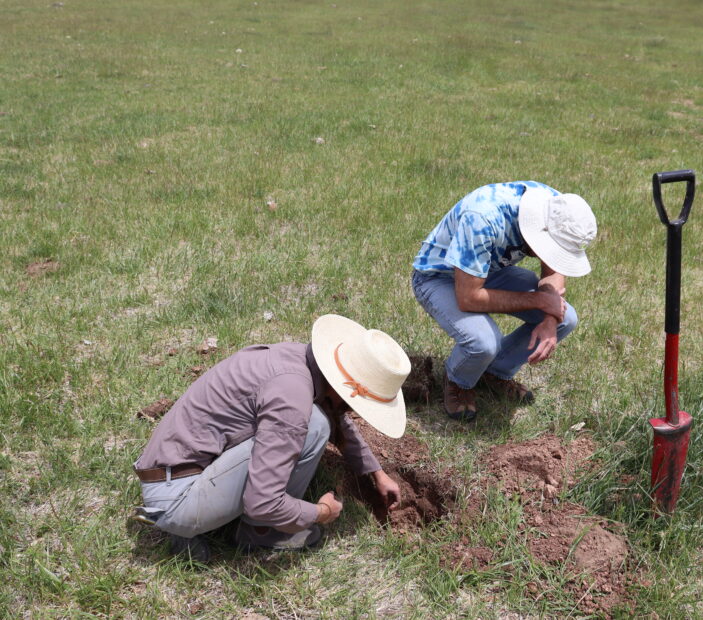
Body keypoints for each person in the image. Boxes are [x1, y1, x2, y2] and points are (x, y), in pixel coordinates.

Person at [132, 314, 410, 562]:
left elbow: (336, 414)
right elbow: (262, 502)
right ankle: (261, 531)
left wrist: (376, 473)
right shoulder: (291, 398)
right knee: (314, 427)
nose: (352, 412)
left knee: (317, 420)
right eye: (354, 404)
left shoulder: (299, 361)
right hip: (175, 498)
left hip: (171, 469)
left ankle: (211, 516)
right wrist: (321, 512)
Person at [411, 181, 596, 421]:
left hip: (490, 272)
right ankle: (459, 380)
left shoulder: (558, 207)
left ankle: (493, 372)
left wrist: (551, 317)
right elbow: (469, 298)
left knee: (565, 318)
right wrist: (539, 300)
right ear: (539, 231)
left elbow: (554, 272)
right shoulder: (482, 218)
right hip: (440, 277)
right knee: (484, 342)